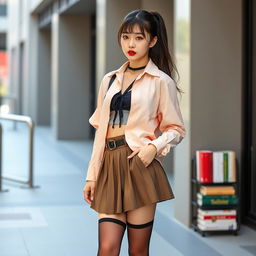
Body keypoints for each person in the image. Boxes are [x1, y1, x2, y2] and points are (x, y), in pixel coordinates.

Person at [83, 9, 186, 256]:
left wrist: (153, 148)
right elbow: (101, 133)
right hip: (109, 164)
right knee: (107, 249)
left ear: (152, 41)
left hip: (138, 165)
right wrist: (91, 176)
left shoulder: (161, 81)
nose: (131, 44)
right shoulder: (109, 80)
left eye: (139, 38)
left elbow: (176, 129)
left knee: (138, 250)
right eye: (126, 36)